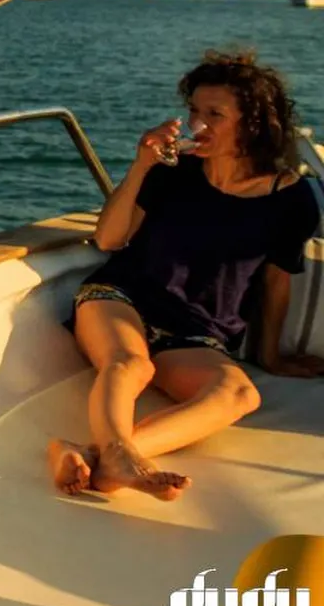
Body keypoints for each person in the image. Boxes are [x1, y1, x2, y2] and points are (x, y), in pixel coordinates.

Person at [47, 50, 323, 499]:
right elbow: (109, 240)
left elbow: (277, 281)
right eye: (194, 111)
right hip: (122, 297)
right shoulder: (174, 172)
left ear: (253, 124)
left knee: (239, 394)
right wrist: (141, 165)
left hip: (197, 330)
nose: (198, 124)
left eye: (214, 114)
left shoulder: (291, 199)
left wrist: (271, 358)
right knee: (130, 364)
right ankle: (117, 457)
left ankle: (90, 453)